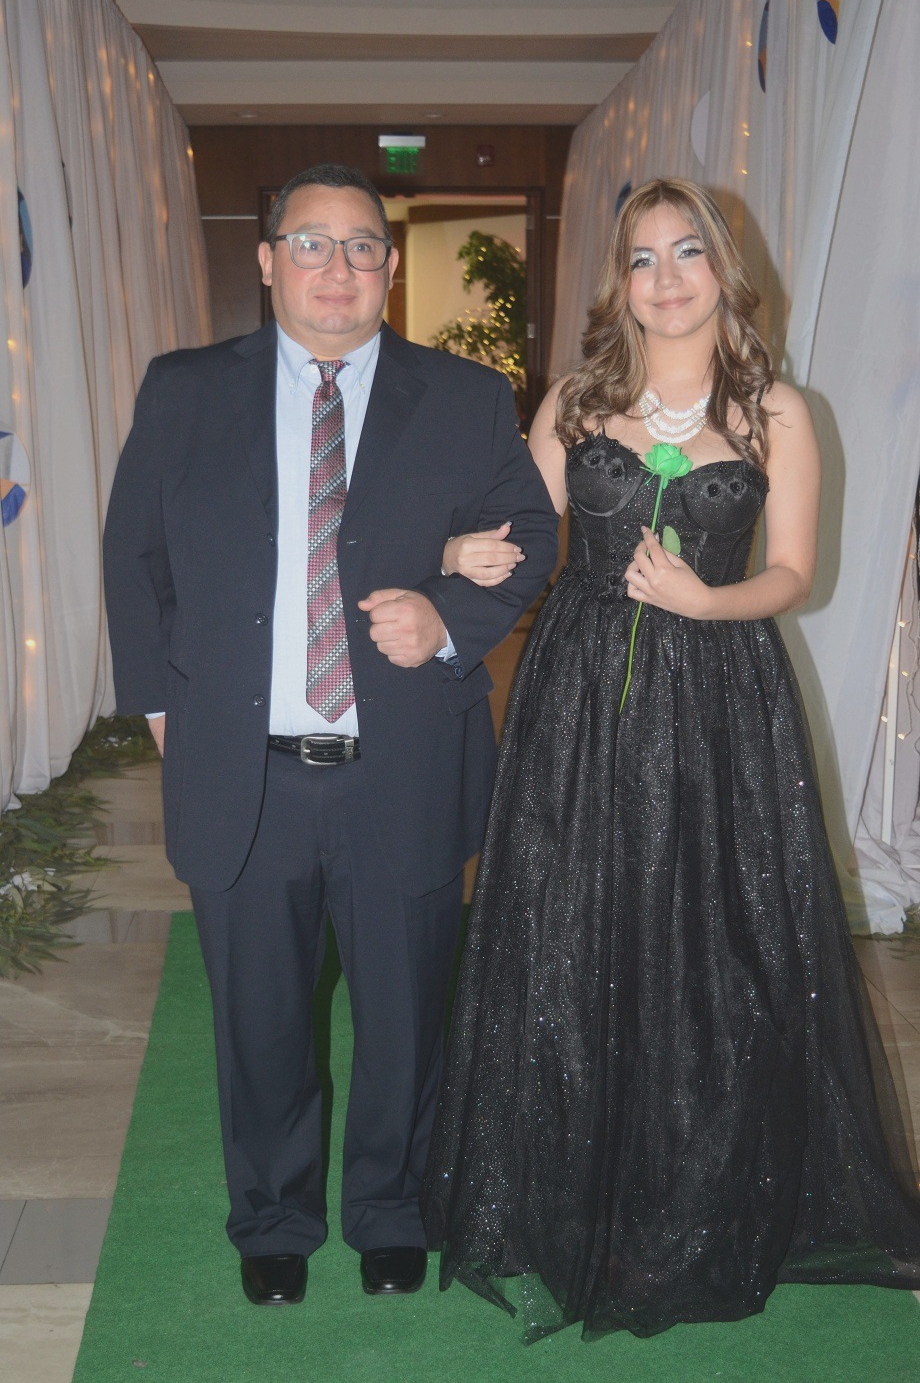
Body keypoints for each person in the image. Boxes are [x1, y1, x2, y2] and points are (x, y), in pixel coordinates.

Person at [421, 177, 920, 1340]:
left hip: (717, 702)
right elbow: (524, 539)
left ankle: (697, 1199)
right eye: (641, 259)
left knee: (711, 938)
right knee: (571, 925)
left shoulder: (773, 411)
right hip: (578, 703)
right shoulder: (575, 400)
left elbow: (792, 573)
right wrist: (457, 553)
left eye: (685, 252)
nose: (664, 278)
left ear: (721, 270)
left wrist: (703, 600)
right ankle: (564, 1193)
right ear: (621, 282)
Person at [103, 163, 557, 1307]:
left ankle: (391, 1209)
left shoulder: (462, 397)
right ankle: (272, 1217)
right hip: (241, 769)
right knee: (258, 1020)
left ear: (388, 269)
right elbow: (134, 559)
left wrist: (446, 619)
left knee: (405, 1015)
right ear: (267, 261)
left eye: (360, 246)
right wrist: (158, 707)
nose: (336, 268)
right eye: (310, 243)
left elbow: (529, 536)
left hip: (400, 764)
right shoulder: (183, 390)